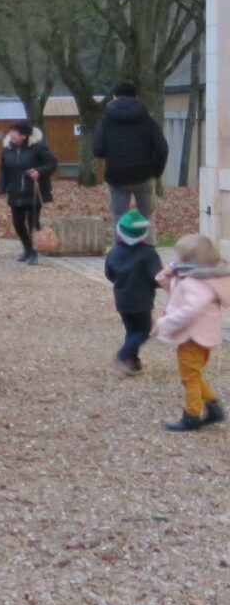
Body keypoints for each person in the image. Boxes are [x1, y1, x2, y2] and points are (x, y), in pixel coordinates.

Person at [152, 234, 230, 431]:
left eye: (177, 255)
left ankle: (192, 415)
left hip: (193, 336)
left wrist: (164, 323)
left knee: (189, 377)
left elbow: (190, 310)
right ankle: (213, 408)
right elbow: (170, 287)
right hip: (199, 334)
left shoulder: (195, 282)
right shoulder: (193, 276)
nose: (174, 258)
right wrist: (168, 272)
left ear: (188, 259)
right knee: (194, 374)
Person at [92, 81, 169, 225]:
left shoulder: (106, 120)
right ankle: (147, 246)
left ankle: (121, 246)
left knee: (119, 217)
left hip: (117, 176)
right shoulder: (147, 119)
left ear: (114, 97)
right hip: (144, 174)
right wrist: (155, 172)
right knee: (147, 217)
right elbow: (162, 148)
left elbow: (98, 149)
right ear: (136, 97)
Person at [106, 210, 162, 377]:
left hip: (122, 299)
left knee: (131, 330)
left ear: (120, 232)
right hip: (142, 301)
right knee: (144, 331)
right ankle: (123, 355)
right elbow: (156, 278)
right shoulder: (149, 254)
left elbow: (109, 274)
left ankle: (133, 362)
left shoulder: (114, 252)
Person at [0, 121, 59, 264]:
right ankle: (27, 249)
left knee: (33, 223)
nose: (11, 134)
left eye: (15, 132)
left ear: (24, 135)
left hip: (33, 192)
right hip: (15, 191)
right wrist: (1, 187)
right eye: (11, 131)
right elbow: (4, 170)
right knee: (18, 223)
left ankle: (34, 252)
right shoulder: (7, 150)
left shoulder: (38, 147)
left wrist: (39, 171)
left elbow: (52, 164)